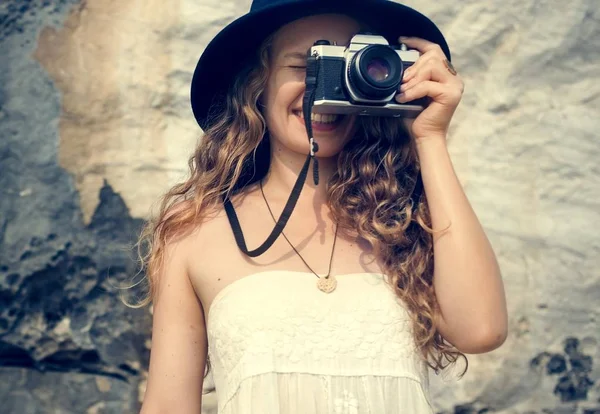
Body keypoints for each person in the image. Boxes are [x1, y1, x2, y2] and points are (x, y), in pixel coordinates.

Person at [138, 0, 508, 413]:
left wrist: (430, 137)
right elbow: (168, 406)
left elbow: (481, 330)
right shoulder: (194, 229)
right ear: (257, 83)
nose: (324, 88)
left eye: (348, 63)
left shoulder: (405, 220)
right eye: (306, 65)